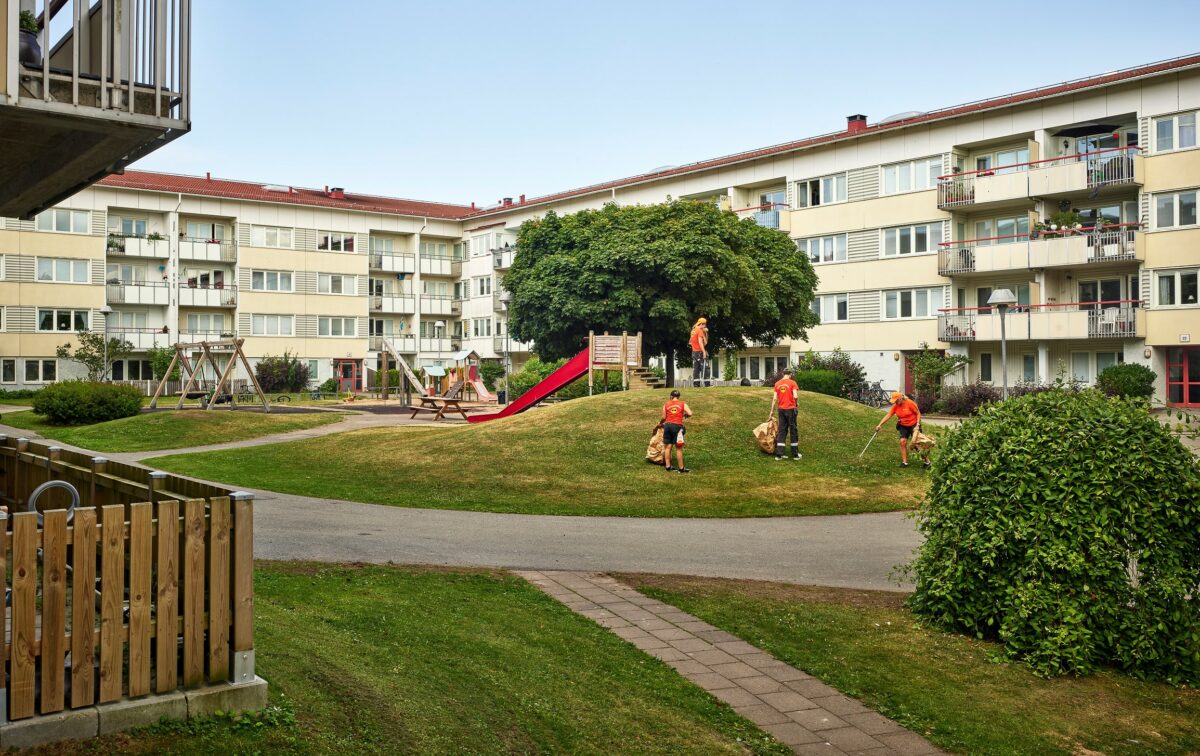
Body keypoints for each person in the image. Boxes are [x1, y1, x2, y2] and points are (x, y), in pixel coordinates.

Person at [875, 392, 930, 468]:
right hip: (903, 425)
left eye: (896, 400)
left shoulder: (910, 403)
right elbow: (889, 415)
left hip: (914, 425)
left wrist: (917, 425)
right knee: (902, 442)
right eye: (894, 401)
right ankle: (904, 462)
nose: (895, 402)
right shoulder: (896, 406)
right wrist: (880, 424)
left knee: (917, 445)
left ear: (901, 398)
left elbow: (918, 413)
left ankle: (927, 462)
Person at [661, 389, 693, 473]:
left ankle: (668, 467)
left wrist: (660, 424)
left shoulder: (666, 404)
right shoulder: (683, 403)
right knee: (678, 448)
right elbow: (690, 413)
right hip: (677, 427)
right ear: (678, 397)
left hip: (667, 426)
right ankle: (681, 468)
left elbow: (664, 417)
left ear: (671, 396)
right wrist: (685, 415)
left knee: (667, 447)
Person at [773, 368, 801, 461]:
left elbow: (774, 399)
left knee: (782, 430)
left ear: (783, 374)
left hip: (781, 410)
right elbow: (796, 396)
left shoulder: (777, 384)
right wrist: (796, 403)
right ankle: (795, 454)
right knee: (793, 430)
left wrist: (771, 411)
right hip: (790, 409)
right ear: (790, 374)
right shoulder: (793, 383)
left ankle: (779, 454)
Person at [689, 318, 708, 386]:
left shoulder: (693, 330)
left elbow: (690, 342)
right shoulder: (699, 331)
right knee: (705, 367)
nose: (705, 326)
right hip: (700, 352)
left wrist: (704, 332)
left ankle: (696, 384)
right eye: (705, 324)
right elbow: (702, 342)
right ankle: (707, 384)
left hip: (694, 352)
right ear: (702, 324)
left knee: (696, 368)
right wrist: (703, 352)